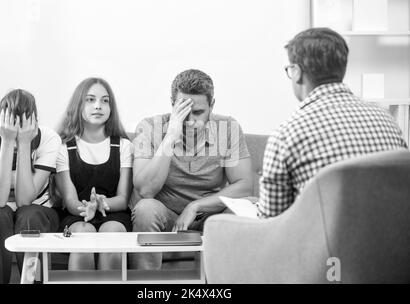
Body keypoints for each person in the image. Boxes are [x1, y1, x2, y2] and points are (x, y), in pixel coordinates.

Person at [258, 27, 408, 218]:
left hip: (326, 246)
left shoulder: (287, 133)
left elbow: (271, 221)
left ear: (296, 72)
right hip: (392, 243)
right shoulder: (388, 120)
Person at [130, 69, 254, 270]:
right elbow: (145, 190)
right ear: (172, 104)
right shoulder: (150, 127)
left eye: (198, 113)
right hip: (166, 216)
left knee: (247, 207)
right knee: (146, 208)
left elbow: (244, 185)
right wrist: (171, 136)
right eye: (183, 112)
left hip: (208, 216)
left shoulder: (228, 127)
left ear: (212, 105)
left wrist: (195, 207)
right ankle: (147, 286)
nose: (190, 121)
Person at [0, 89, 61, 283]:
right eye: (12, 124)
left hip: (38, 211)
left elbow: (25, 200)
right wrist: (7, 141)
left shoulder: (49, 138)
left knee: (29, 214)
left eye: (24, 125)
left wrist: (25, 143)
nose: (18, 131)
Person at [55, 77, 133, 270]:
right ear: (78, 105)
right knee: (84, 236)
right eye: (90, 100)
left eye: (105, 101)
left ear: (111, 108)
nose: (98, 106)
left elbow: (123, 198)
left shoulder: (124, 146)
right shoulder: (63, 148)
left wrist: (100, 203)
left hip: (114, 212)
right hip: (77, 215)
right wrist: (86, 208)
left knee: (112, 235)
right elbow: (70, 201)